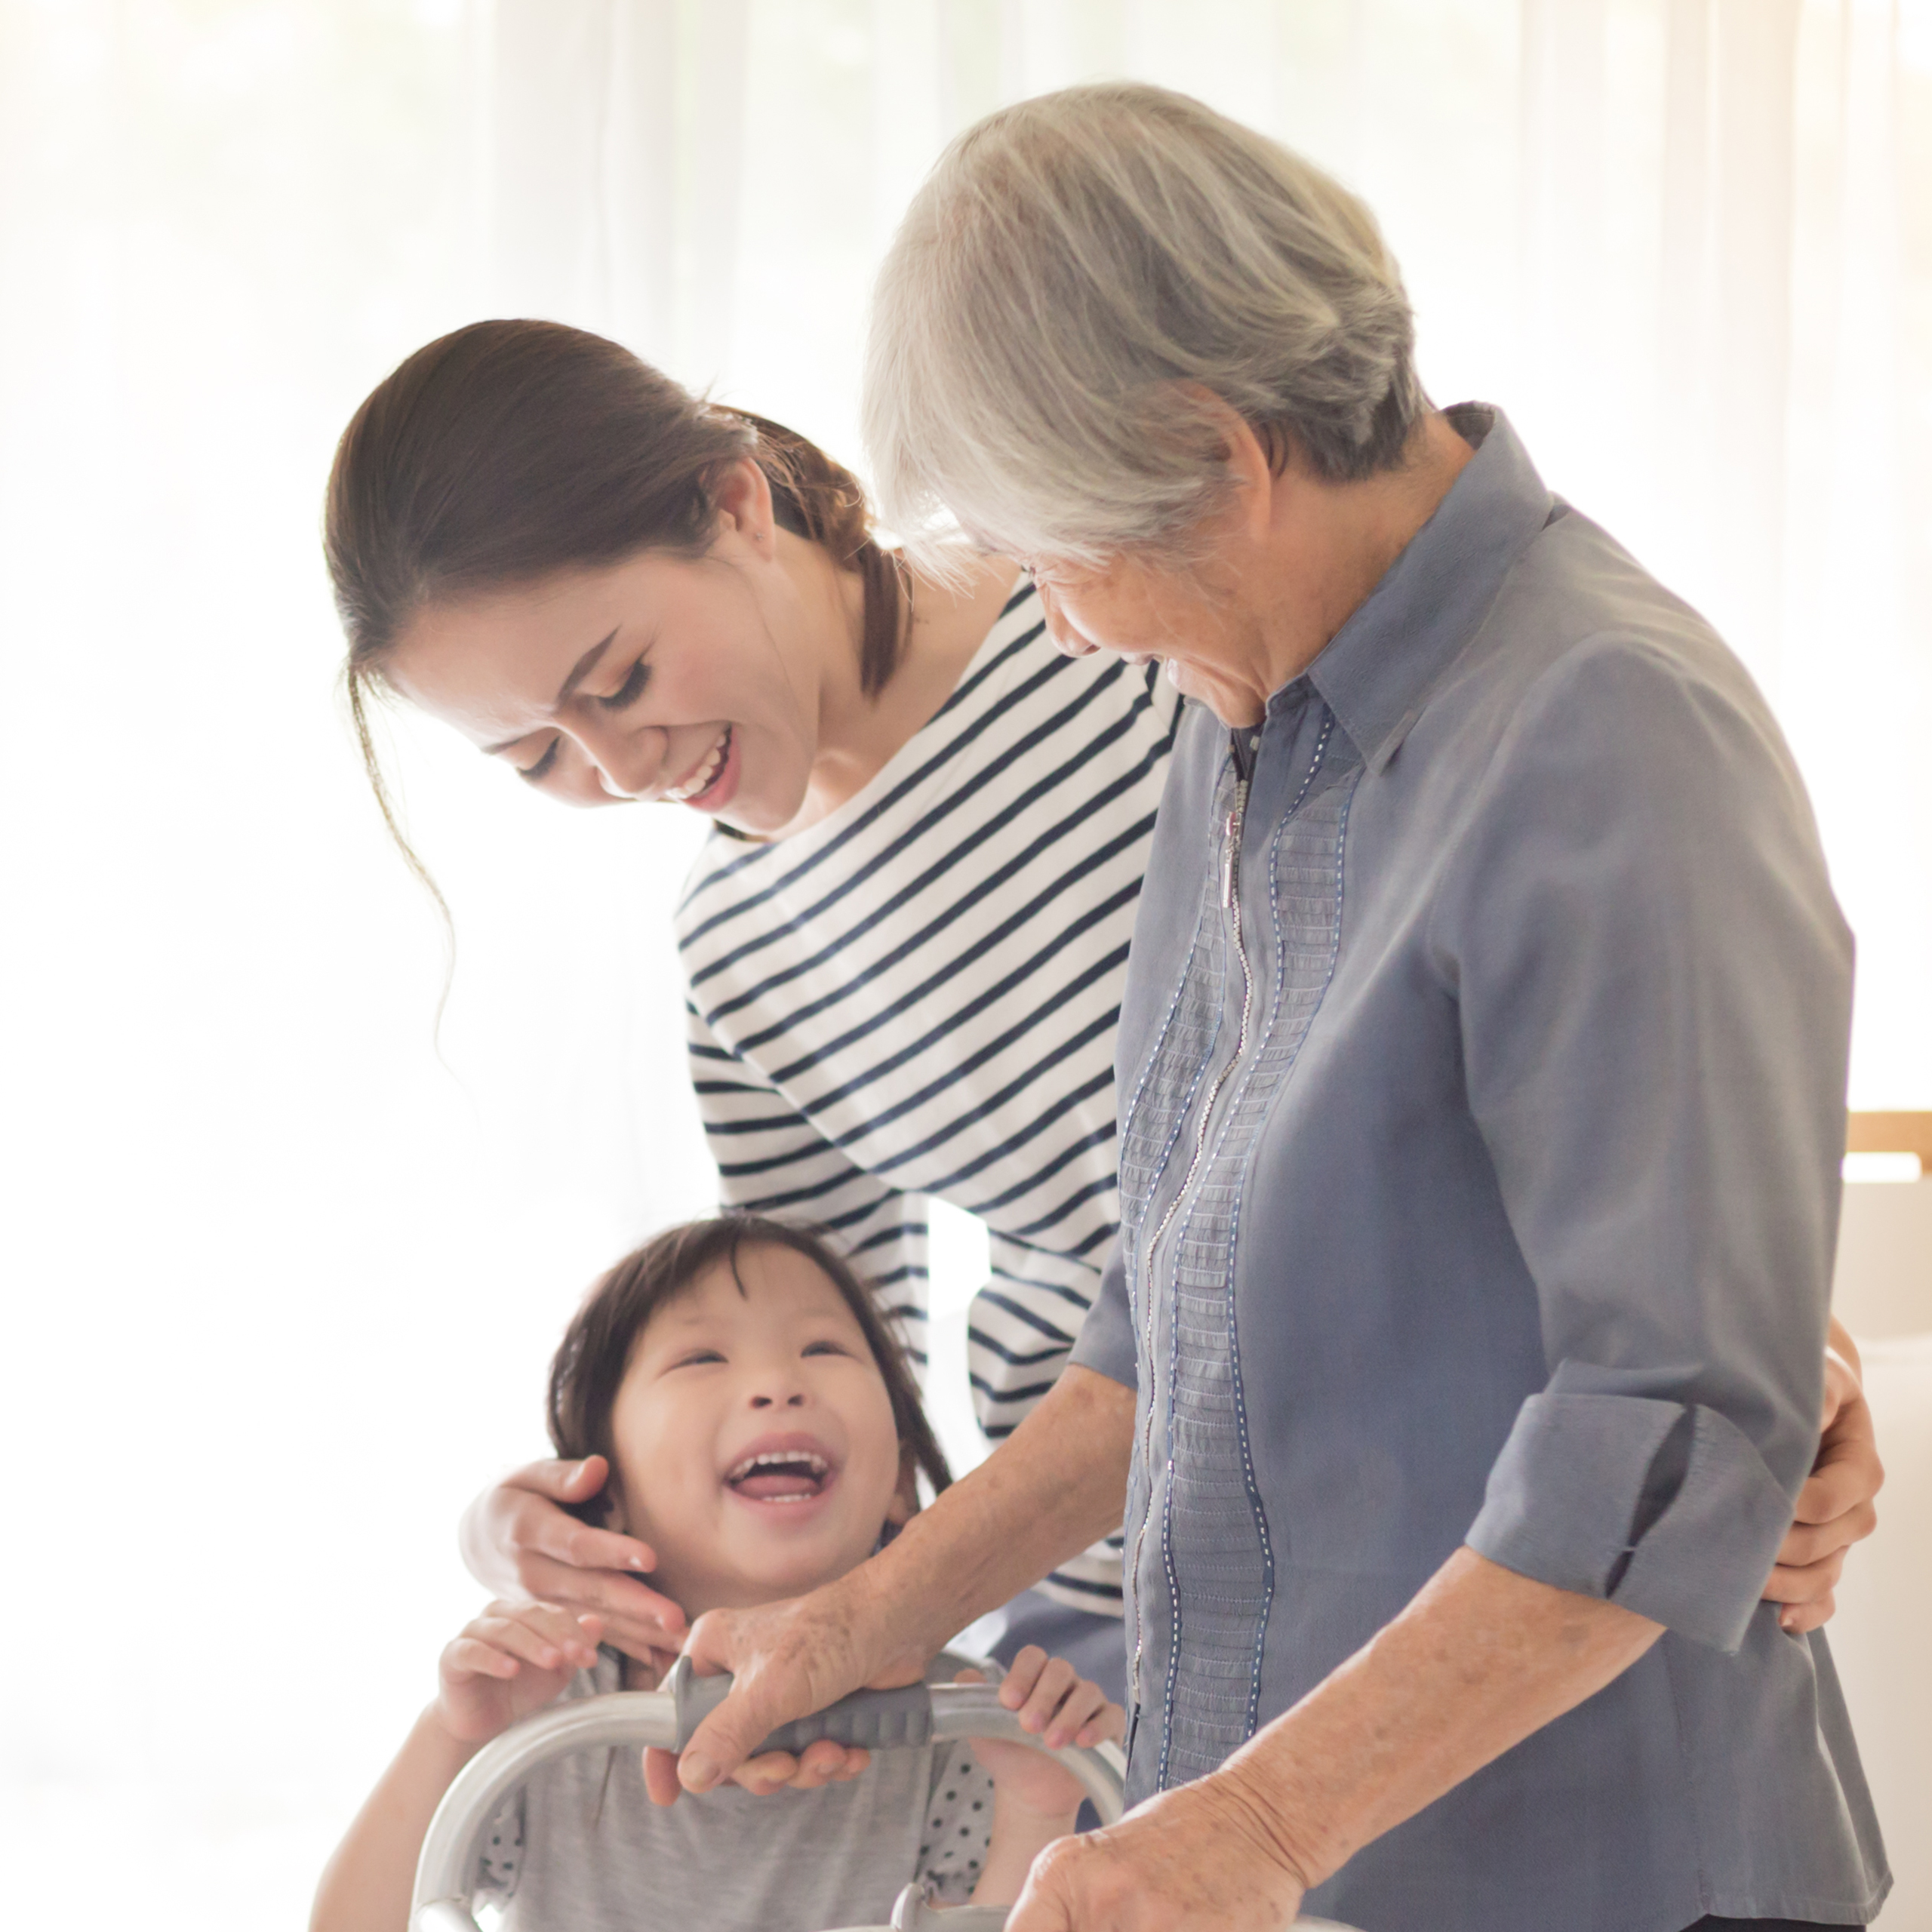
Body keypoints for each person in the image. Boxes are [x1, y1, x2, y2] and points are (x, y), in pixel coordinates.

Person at [654, 85, 1891, 1932]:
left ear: (1217, 460)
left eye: (1063, 557)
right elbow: (1157, 1333)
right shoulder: (1238, 720)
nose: (1064, 625)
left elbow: (1670, 1427)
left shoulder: (1608, 736)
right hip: (1313, 1850)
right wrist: (855, 1619)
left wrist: (1238, 1838)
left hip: (1593, 1873)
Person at [321, 314, 1876, 1741]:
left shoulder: (1111, 623)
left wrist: (1748, 1348)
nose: (623, 764)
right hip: (1104, 1627)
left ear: (734, 503)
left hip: (1464, 1511)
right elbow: (817, 1385)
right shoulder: (735, 951)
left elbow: (1565, 992)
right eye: (536, 754)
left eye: (622, 676)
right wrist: (539, 1531)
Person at [309, 1215, 1121, 1932]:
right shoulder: (550, 1708)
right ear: (603, 1490)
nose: (777, 1385)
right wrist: (455, 1733)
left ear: (903, 1484)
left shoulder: (964, 1725)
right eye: (701, 1357)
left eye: (823, 1348)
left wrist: (1038, 1805)